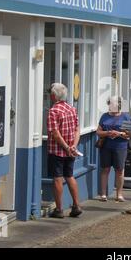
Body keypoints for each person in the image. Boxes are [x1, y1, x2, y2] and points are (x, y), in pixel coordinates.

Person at [47, 83, 82, 219]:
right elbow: (77, 129)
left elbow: (55, 133)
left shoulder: (53, 111)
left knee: (57, 178)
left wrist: (66, 147)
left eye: (51, 93)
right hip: (71, 150)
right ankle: (76, 205)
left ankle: (59, 209)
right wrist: (73, 145)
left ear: (54, 95)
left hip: (57, 151)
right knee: (70, 175)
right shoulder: (71, 109)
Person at [96, 96, 131, 202]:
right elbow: (98, 131)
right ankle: (103, 194)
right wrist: (107, 133)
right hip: (106, 147)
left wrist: (119, 133)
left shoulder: (125, 117)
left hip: (120, 147)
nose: (111, 106)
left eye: (113, 104)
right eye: (109, 103)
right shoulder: (104, 116)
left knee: (119, 170)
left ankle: (119, 194)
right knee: (105, 169)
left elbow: (128, 134)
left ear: (118, 105)